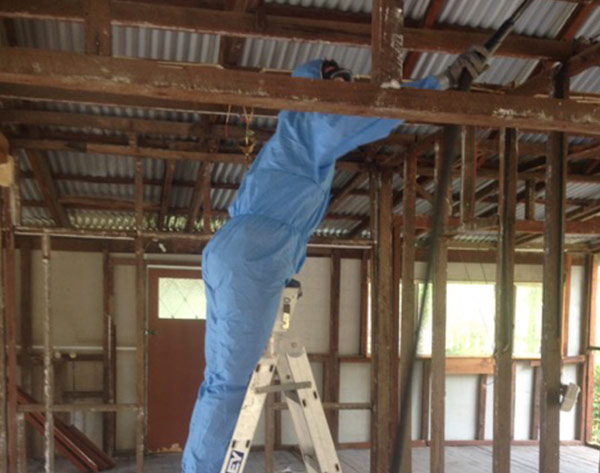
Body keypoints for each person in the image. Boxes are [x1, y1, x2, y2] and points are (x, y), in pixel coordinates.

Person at [182, 49, 489, 473]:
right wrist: (437, 85)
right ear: (317, 86)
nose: (347, 94)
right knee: (231, 382)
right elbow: (371, 115)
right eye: (340, 84)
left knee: (221, 378)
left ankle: (196, 465)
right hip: (252, 256)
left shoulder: (299, 137)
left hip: (242, 253)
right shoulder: (311, 121)